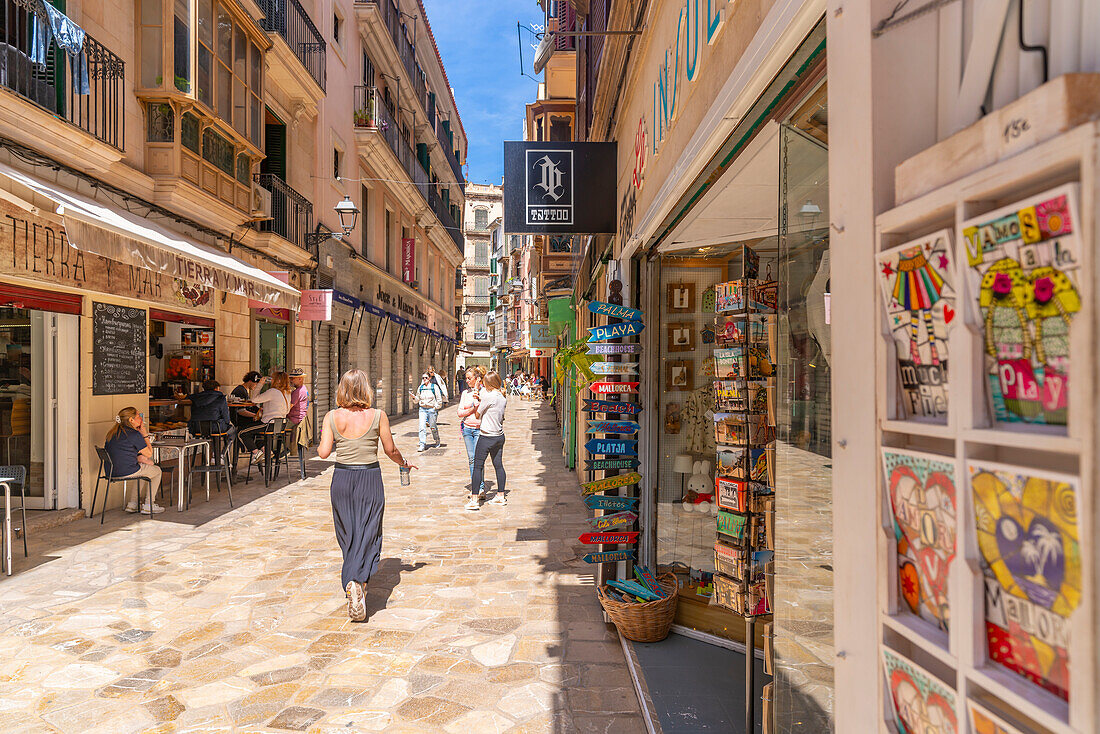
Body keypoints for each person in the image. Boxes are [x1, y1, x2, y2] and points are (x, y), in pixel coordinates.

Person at [317, 369, 415, 622]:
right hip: (369, 478)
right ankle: (357, 581)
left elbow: (324, 452)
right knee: (369, 531)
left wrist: (326, 435)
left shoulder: (331, 417)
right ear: (366, 389)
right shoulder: (378, 415)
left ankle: (352, 581)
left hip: (342, 479)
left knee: (348, 533)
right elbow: (390, 449)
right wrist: (403, 462)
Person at [104, 407, 165, 514]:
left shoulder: (113, 432)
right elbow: (149, 453)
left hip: (111, 472)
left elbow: (121, 452)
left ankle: (133, 504)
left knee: (144, 471)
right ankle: (149, 504)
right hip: (126, 471)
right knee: (157, 471)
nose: (141, 418)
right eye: (138, 416)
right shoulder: (134, 434)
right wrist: (144, 434)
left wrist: (139, 459)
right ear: (131, 420)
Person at [466, 371, 507, 511]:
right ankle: (501, 496)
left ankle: (474, 499)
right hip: (499, 436)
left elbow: (477, 415)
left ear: (488, 383)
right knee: (498, 466)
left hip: (486, 436)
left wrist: (478, 402)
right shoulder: (502, 397)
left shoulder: (489, 397)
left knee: (477, 467)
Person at [245, 371, 292, 460]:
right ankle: (267, 451)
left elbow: (254, 399)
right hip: (280, 425)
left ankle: (257, 453)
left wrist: (260, 384)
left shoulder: (272, 391)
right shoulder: (287, 392)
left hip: (269, 424)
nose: (271, 380)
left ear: (278, 381)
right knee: (256, 433)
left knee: (242, 432)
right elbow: (287, 410)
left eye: (273, 378)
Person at [457, 368, 484, 496]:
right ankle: (476, 487)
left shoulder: (484, 392)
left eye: (469, 378)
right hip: (467, 429)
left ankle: (480, 487)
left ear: (477, 378)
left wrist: (476, 390)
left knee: (479, 459)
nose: (467, 381)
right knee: (472, 459)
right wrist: (472, 410)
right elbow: (459, 413)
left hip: (480, 429)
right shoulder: (464, 394)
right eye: (466, 378)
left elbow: (481, 408)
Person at [411, 372, 443, 451]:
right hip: (422, 409)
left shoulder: (434, 387)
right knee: (422, 427)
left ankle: (437, 439)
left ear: (429, 378)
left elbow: (439, 399)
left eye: (426, 377)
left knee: (433, 426)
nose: (424, 379)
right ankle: (422, 444)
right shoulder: (420, 387)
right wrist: (413, 397)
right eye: (423, 378)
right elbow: (417, 400)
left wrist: (436, 407)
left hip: (431, 409)